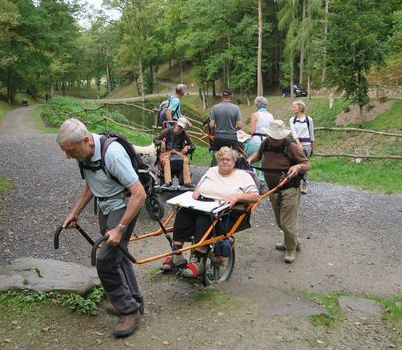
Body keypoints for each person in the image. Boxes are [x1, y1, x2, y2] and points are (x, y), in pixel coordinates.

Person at [57, 118, 145, 338]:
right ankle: (135, 300)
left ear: (86, 140)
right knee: (118, 257)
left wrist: (120, 228)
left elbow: (139, 193)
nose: (68, 157)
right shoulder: (85, 154)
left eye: (70, 151)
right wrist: (74, 212)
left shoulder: (112, 154)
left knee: (105, 261)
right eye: (65, 152)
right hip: (105, 207)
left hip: (123, 206)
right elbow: (91, 183)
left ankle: (128, 309)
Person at [161, 147, 259, 277]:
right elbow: (199, 186)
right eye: (221, 159)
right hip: (204, 204)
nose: (224, 162)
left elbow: (255, 196)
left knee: (205, 218)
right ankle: (176, 254)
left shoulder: (243, 176)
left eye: (228, 159)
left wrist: (237, 197)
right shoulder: (212, 171)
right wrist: (196, 191)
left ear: (234, 161)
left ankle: (198, 260)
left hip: (228, 211)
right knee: (183, 212)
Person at [247, 119, 310, 264]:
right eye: (273, 136)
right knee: (280, 222)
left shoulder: (292, 147)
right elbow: (259, 154)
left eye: (278, 137)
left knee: (287, 223)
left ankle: (290, 249)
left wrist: (297, 167)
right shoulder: (266, 143)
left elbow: (307, 164)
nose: (275, 139)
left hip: (289, 188)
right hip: (273, 190)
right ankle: (293, 242)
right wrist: (250, 159)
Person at [153, 117, 195, 187]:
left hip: (179, 153)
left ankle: (187, 182)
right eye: (179, 126)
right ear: (176, 124)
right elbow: (155, 140)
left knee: (185, 160)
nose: (179, 129)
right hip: (167, 152)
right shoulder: (167, 131)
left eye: (181, 128)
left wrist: (188, 147)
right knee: (167, 161)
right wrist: (161, 142)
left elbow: (193, 145)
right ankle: (168, 182)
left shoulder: (184, 134)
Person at [245, 96, 274, 182]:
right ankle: (262, 180)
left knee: (249, 158)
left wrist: (248, 129)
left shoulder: (255, 115)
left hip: (256, 141)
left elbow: (251, 131)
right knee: (263, 162)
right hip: (267, 142)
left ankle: (252, 178)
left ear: (257, 105)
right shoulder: (270, 116)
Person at [290, 100, 315, 194]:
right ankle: (295, 183)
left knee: (305, 163)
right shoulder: (292, 119)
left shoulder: (309, 119)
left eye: (294, 107)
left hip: (307, 144)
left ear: (300, 108)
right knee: (295, 163)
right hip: (296, 144)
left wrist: (313, 147)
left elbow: (311, 133)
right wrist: (298, 144)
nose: (293, 108)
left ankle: (305, 184)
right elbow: (293, 132)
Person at [209, 88, 243, 156]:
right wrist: (234, 129)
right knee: (233, 158)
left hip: (218, 137)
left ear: (221, 96)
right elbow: (240, 126)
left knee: (217, 158)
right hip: (232, 138)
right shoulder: (236, 108)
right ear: (231, 96)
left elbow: (212, 125)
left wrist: (214, 133)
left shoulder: (215, 108)